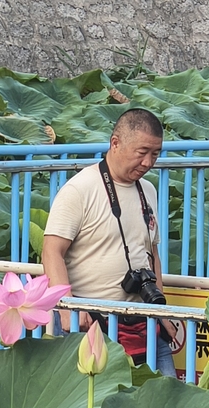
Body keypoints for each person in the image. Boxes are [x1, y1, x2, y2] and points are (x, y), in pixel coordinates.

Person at [41, 108, 178, 374]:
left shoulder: (147, 190)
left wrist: (163, 311)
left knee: (166, 404)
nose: (148, 162)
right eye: (142, 152)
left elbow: (152, 253)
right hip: (91, 323)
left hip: (145, 321)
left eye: (156, 154)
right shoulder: (79, 190)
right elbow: (51, 251)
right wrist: (67, 306)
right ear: (115, 143)